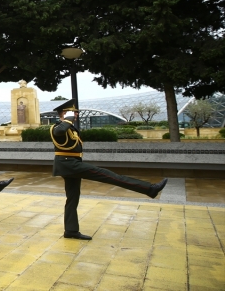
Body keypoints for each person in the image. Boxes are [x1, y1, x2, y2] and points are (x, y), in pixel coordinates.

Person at [50, 99, 169, 240]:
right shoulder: (58, 127)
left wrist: (69, 121)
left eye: (75, 113)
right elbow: (59, 132)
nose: (76, 115)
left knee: (72, 198)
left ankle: (70, 230)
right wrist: (68, 119)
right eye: (73, 113)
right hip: (68, 164)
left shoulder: (70, 127)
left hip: (72, 163)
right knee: (108, 175)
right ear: (64, 113)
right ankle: (150, 189)